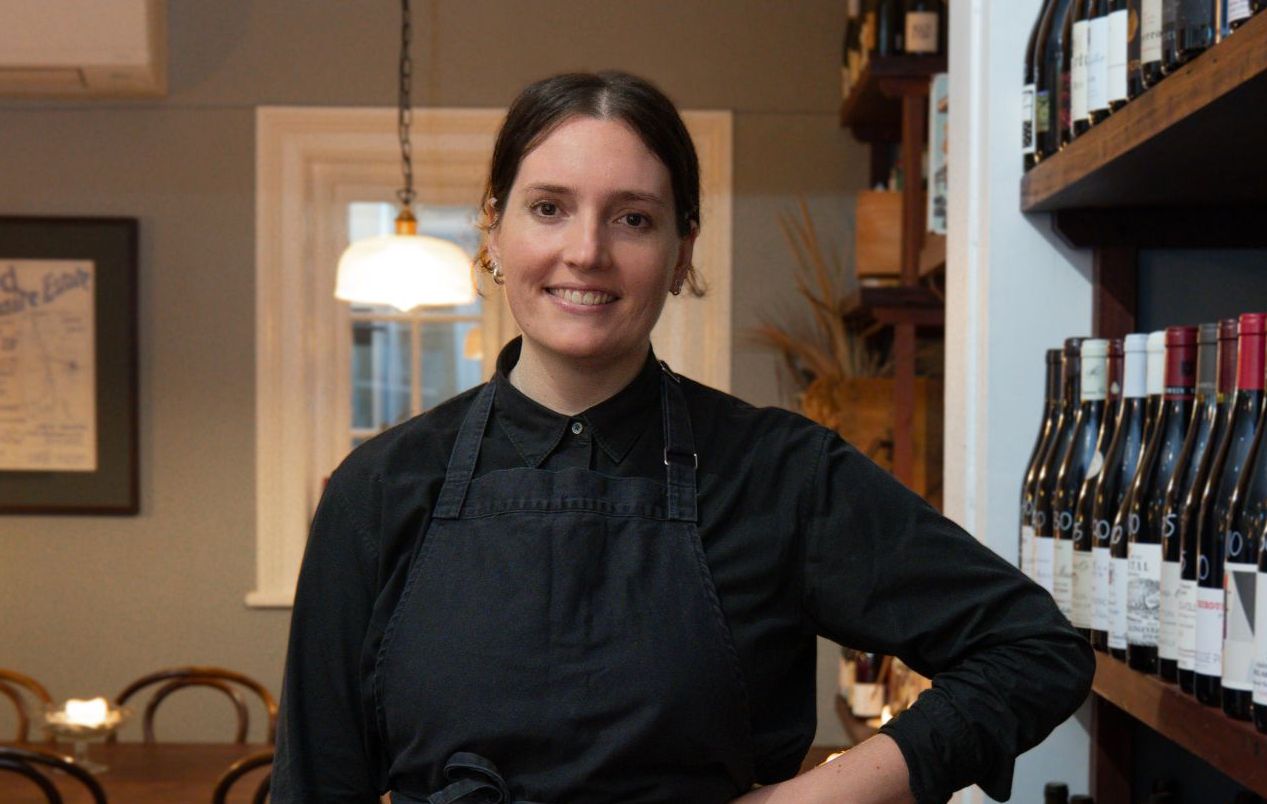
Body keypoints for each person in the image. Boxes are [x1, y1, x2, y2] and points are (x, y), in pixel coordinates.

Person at [272, 70, 1094, 804]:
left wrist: (816, 798)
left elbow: (1032, 650)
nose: (586, 252)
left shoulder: (780, 473)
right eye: (549, 208)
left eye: (632, 218)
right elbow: (317, 785)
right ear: (493, 230)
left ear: (680, 252)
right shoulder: (378, 489)